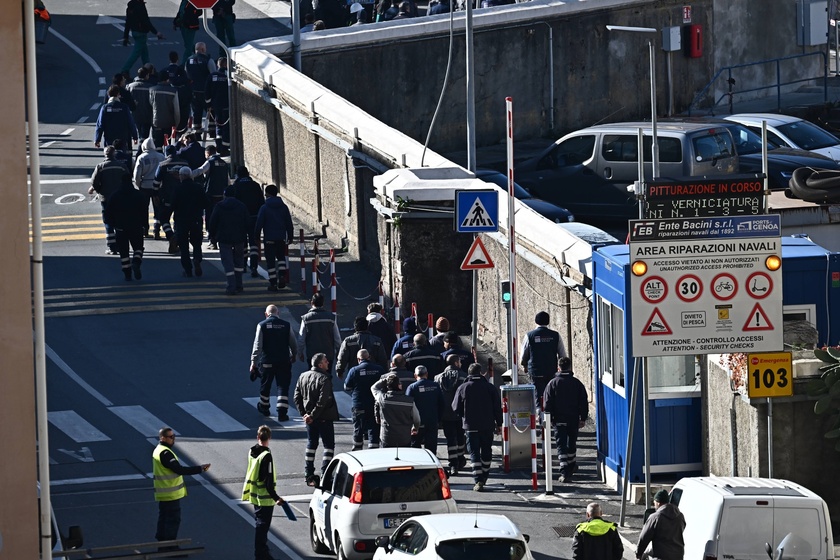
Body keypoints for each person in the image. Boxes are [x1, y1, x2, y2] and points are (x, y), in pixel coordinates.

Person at [152, 427, 210, 554]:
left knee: (164, 518)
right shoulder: (165, 453)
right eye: (170, 437)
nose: (173, 439)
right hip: (170, 494)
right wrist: (199, 469)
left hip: (164, 493)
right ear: (162, 438)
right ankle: (170, 547)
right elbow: (179, 469)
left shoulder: (159, 450)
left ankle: (162, 545)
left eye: (174, 436)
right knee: (172, 520)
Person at [452, 363, 502, 492]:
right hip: (487, 425)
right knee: (486, 451)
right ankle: (484, 476)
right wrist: (499, 424)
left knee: (474, 453)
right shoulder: (490, 388)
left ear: (469, 374)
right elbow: (497, 408)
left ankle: (478, 479)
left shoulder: (463, 388)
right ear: (481, 373)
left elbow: (455, 408)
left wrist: (464, 416)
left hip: (470, 426)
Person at [294, 353, 339, 486]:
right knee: (329, 446)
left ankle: (308, 473)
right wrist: (312, 415)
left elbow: (296, 398)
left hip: (310, 419)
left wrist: (305, 415)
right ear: (320, 365)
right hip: (323, 418)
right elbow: (323, 401)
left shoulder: (303, 376)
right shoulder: (324, 379)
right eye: (326, 361)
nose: (328, 363)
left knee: (311, 445)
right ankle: (326, 473)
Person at [242, 425, 285, 560]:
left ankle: (263, 551)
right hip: (265, 498)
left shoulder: (252, 451)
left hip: (255, 495)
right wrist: (276, 497)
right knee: (262, 527)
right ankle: (261, 554)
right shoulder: (266, 456)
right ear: (269, 438)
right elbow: (267, 480)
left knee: (259, 525)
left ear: (258, 437)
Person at [543, 356, 588, 483]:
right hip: (573, 419)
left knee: (561, 445)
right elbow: (583, 401)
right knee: (571, 443)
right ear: (570, 367)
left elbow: (547, 403)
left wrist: (549, 418)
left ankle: (564, 471)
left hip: (559, 420)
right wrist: (583, 417)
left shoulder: (552, 383)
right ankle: (572, 465)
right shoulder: (577, 383)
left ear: (558, 367)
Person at [251, 304, 298, 419]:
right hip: (283, 361)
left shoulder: (262, 325)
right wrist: (293, 355)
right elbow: (293, 343)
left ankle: (264, 407)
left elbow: (258, 346)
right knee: (283, 386)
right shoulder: (286, 325)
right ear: (278, 313)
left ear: (266, 314)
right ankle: (282, 412)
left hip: (267, 361)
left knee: (265, 385)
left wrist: (253, 362)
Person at [520, 311, 567, 416]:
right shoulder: (555, 335)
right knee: (550, 393)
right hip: (551, 370)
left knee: (538, 394)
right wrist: (561, 367)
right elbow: (562, 354)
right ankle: (550, 415)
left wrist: (524, 365)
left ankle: (540, 415)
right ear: (548, 321)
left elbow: (524, 354)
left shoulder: (529, 336)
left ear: (536, 321)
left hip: (535, 371)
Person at [103, 174, 147, 281]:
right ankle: (136, 262)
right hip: (136, 226)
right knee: (138, 248)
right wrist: (145, 225)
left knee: (124, 253)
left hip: (120, 228)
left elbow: (108, 213)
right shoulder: (138, 195)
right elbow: (144, 212)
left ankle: (127, 274)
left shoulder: (115, 195)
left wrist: (112, 224)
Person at [89, 146, 130, 255]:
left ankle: (112, 247)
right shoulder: (122, 166)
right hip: (120, 197)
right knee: (120, 221)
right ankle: (121, 245)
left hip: (106, 198)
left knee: (108, 222)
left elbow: (94, 182)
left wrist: (99, 191)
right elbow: (128, 179)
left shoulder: (100, 167)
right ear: (114, 154)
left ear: (105, 155)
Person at [208, 186, 248, 295]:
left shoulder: (219, 206)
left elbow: (213, 222)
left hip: (224, 238)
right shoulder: (241, 206)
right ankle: (239, 285)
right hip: (239, 238)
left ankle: (231, 286)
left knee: (228, 262)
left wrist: (212, 236)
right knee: (239, 261)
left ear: (225, 194)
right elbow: (247, 222)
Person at [344, 349, 385, 450]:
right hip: (374, 404)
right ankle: (373, 450)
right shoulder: (379, 369)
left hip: (359, 404)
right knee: (374, 428)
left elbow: (347, 387)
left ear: (358, 359)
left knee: (358, 428)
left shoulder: (354, 370)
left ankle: (357, 450)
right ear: (369, 357)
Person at [255, 184, 294, 291]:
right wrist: (290, 236)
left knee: (270, 262)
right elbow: (288, 223)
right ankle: (282, 276)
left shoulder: (264, 208)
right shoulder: (284, 207)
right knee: (281, 258)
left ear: (267, 194)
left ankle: (273, 283)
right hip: (281, 238)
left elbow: (259, 223)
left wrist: (256, 236)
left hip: (269, 239)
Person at [230, 166, 265, 277]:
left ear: (238, 175)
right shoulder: (255, 185)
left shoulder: (236, 186)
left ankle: (243, 265)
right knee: (254, 243)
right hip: (254, 217)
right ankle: (254, 266)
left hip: (240, 219)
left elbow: (234, 203)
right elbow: (261, 202)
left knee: (242, 243)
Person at [191, 144, 229, 247]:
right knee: (220, 216)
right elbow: (228, 180)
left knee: (209, 216)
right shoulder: (224, 163)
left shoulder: (210, 162)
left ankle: (212, 239)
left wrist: (187, 174)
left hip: (210, 194)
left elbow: (200, 171)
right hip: (222, 194)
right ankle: (220, 237)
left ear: (208, 153)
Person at [434, 354, 467, 474]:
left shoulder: (437, 378)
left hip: (445, 413)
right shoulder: (464, 376)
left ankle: (453, 463)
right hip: (460, 412)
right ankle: (460, 459)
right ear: (457, 363)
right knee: (460, 436)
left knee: (450, 439)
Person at [171, 166, 205, 277]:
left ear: (181, 176)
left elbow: (173, 204)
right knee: (196, 242)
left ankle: (188, 269)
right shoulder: (198, 188)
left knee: (184, 246)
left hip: (181, 220)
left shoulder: (178, 188)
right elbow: (206, 202)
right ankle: (197, 259)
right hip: (196, 219)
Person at [153, 145, 187, 252]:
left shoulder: (163, 165)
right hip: (182, 198)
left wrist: (155, 195)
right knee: (179, 220)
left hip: (167, 197)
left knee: (163, 219)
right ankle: (178, 240)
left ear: (166, 154)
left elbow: (156, 183)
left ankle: (170, 235)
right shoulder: (184, 163)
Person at [372, 372, 420, 448]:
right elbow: (417, 419)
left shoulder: (382, 398)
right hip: (404, 438)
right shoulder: (409, 401)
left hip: (387, 437)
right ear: (399, 386)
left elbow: (374, 388)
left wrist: (386, 380)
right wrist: (415, 428)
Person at [636, 489, 686, 560]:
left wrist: (639, 554)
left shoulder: (655, 517)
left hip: (661, 556)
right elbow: (682, 528)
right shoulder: (680, 516)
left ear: (658, 503)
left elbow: (644, 537)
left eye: (654, 502)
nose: (654, 504)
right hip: (678, 556)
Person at [405, 365, 445, 453]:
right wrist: (438, 419)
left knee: (415, 445)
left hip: (417, 422)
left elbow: (407, 405)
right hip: (432, 421)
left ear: (415, 375)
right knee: (431, 446)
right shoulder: (435, 386)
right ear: (427, 374)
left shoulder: (412, 387)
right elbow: (442, 403)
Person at [121, 0, 164, 75]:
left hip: (135, 32)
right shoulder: (140, 6)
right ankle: (125, 70)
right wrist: (156, 32)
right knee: (136, 53)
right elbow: (146, 21)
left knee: (144, 54)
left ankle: (148, 70)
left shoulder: (130, 7)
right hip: (141, 33)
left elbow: (127, 22)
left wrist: (126, 37)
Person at [298, 292, 341, 367]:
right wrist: (339, 351)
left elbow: (301, 338)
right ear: (323, 303)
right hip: (328, 354)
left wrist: (300, 352)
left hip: (312, 355)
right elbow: (337, 337)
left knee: (313, 376)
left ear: (312, 303)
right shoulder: (331, 317)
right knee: (327, 376)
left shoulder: (306, 318)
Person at [133, 136, 164, 237]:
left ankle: (144, 229)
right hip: (158, 186)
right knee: (157, 208)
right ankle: (157, 229)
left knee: (143, 209)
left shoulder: (141, 157)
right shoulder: (161, 156)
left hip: (144, 186)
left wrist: (139, 185)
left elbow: (137, 175)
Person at [94, 85, 138, 151]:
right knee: (123, 156)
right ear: (118, 94)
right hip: (123, 138)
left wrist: (97, 139)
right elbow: (130, 122)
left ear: (108, 94)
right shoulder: (124, 107)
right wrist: (135, 136)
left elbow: (100, 124)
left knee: (110, 155)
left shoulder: (105, 108)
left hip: (109, 138)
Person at [184, 43, 216, 133]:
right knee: (210, 112)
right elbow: (213, 75)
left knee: (196, 113)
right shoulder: (208, 60)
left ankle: (197, 133)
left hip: (193, 91)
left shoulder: (188, 60)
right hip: (206, 92)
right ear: (202, 49)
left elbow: (186, 75)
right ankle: (212, 131)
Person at [205, 57, 230, 155]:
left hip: (216, 106)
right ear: (225, 65)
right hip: (226, 105)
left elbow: (207, 92)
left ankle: (218, 145)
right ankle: (225, 148)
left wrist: (209, 104)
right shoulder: (228, 75)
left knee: (218, 125)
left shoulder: (212, 76)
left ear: (218, 65)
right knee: (226, 127)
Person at [149, 71, 181, 149]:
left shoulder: (152, 90)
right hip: (169, 122)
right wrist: (176, 123)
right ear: (167, 79)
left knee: (158, 145)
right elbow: (176, 110)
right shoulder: (173, 91)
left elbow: (151, 104)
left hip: (156, 121)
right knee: (169, 146)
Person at [126, 66, 154, 141]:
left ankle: (140, 147)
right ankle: (141, 149)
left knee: (138, 132)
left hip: (134, 115)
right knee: (145, 136)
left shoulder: (130, 86)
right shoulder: (151, 87)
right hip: (147, 115)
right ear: (146, 75)